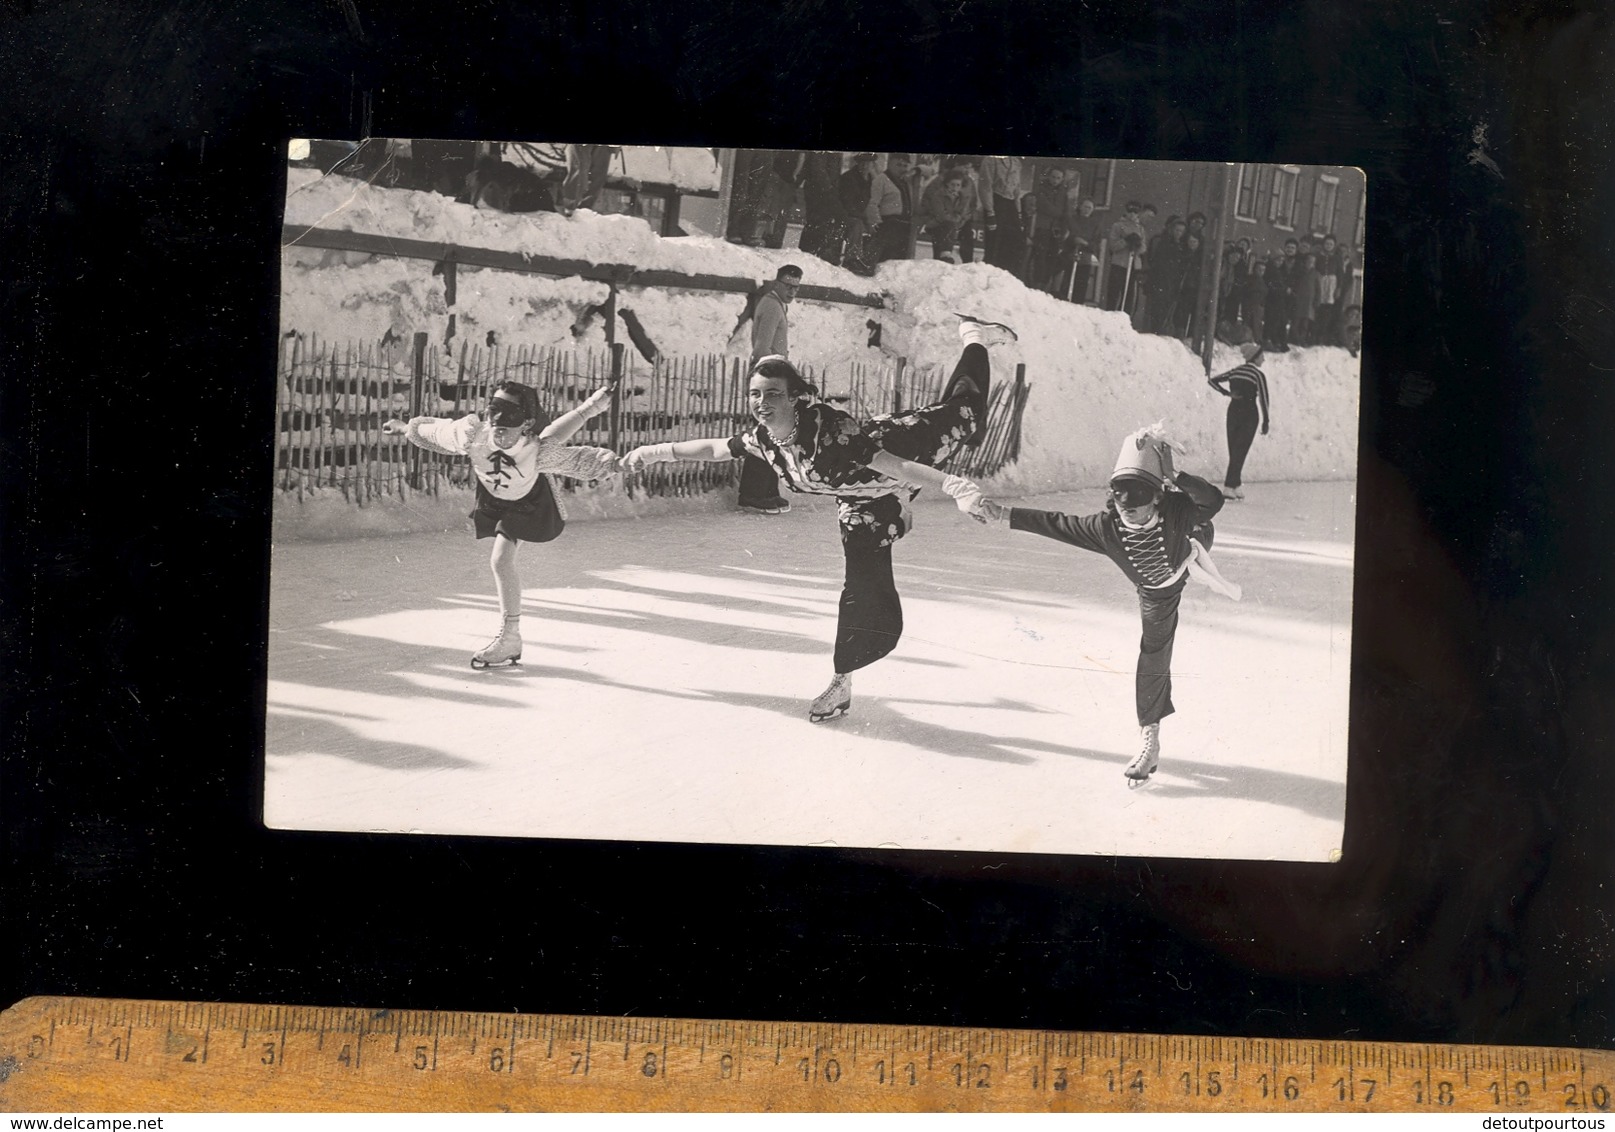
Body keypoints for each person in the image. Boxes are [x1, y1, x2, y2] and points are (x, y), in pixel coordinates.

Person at [620, 316, 1018, 722]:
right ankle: (843, 680)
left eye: (773, 394)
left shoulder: (831, 433)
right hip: (862, 500)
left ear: (794, 398)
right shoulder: (765, 439)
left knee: (965, 412)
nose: (762, 403)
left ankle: (974, 337)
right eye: (755, 394)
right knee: (860, 581)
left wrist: (953, 485)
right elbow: (715, 447)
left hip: (906, 447)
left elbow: (892, 463)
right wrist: (655, 452)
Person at [945, 425, 1235, 786]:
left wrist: (1176, 476)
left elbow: (1212, 502)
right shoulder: (1106, 528)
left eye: (1139, 506)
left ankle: (1191, 535)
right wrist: (1001, 513)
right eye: (1121, 505)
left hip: (1187, 539)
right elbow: (1055, 523)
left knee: (1199, 528)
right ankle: (1151, 738)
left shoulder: (1177, 509)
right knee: (1153, 652)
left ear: (1158, 498)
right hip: (1157, 593)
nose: (1129, 513)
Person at [382, 382, 620, 668]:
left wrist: (617, 463)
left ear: (526, 421)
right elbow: (438, 431)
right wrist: (405, 427)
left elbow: (581, 461)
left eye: (508, 414)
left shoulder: (537, 451)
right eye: (493, 411)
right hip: (498, 498)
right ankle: (511, 639)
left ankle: (510, 637)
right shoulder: (472, 435)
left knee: (501, 559)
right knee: (546, 440)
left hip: (529, 502)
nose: (497, 422)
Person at [736, 265, 804, 514]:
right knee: (765, 434)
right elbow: (761, 348)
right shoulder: (772, 305)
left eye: (796, 287)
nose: (792, 291)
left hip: (774, 376)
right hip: (769, 378)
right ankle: (752, 494)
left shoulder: (777, 304)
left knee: (772, 435)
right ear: (777, 283)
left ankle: (767, 490)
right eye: (788, 286)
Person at [1207, 341, 1271, 500]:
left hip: (1234, 411)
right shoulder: (1257, 375)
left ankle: (1235, 485)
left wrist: (1227, 393)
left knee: (1234, 449)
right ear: (1255, 357)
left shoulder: (1236, 371)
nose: (1263, 360)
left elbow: (1212, 381)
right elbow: (1264, 398)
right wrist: (1266, 420)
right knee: (1241, 449)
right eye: (1261, 356)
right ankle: (1229, 486)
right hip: (1250, 413)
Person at [979, 156, 1029, 276]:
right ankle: (989, 276)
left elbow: (1017, 190)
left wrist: (1019, 214)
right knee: (994, 243)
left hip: (1011, 204)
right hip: (996, 201)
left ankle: (1007, 277)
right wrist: (990, 211)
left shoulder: (1016, 162)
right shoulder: (991, 160)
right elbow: (986, 186)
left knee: (1016, 241)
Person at [916, 167, 975, 262]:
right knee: (946, 227)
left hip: (955, 224)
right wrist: (955, 220)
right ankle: (945, 255)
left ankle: (962, 261)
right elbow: (941, 215)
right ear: (947, 184)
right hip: (936, 223)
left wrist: (958, 222)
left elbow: (963, 213)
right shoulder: (938, 195)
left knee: (961, 231)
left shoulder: (963, 198)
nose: (955, 188)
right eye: (952, 185)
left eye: (958, 185)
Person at [1029, 167, 1072, 292]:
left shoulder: (1063, 194)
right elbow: (1044, 206)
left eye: (1058, 178)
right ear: (1049, 176)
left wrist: (1064, 229)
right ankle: (1037, 286)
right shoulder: (1041, 189)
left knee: (1052, 258)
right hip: (1043, 228)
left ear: (1062, 179)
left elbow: (1067, 212)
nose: (1055, 180)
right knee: (1040, 257)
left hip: (1056, 231)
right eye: (1053, 177)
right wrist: (1060, 214)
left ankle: (1045, 286)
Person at [870, 153, 915, 262]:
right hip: (889, 225)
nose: (902, 169)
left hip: (905, 224)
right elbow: (872, 203)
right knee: (887, 260)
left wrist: (916, 170)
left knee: (900, 261)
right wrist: (876, 222)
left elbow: (928, 172)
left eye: (905, 166)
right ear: (890, 164)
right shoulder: (881, 180)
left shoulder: (905, 182)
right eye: (898, 165)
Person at [1106, 201, 1147, 312]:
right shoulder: (1118, 226)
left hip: (1133, 265)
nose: (1132, 214)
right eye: (1130, 211)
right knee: (1114, 293)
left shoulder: (1140, 228)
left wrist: (1138, 245)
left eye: (1135, 212)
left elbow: (1143, 248)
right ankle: (1110, 315)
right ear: (1126, 212)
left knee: (1129, 295)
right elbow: (1113, 245)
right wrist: (1126, 241)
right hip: (1119, 264)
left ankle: (1125, 317)